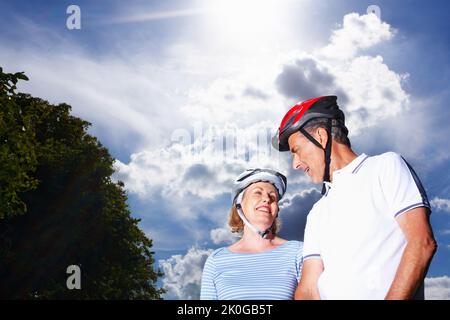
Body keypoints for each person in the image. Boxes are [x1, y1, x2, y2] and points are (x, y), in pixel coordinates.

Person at [272, 95, 437, 300]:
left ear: (321, 137)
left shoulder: (385, 166)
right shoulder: (317, 212)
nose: (295, 164)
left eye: (296, 151)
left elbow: (421, 243)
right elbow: (308, 289)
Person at [200, 168, 303, 300]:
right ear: (239, 204)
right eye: (257, 193)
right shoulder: (216, 260)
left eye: (272, 196)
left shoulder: (298, 252)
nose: (266, 199)